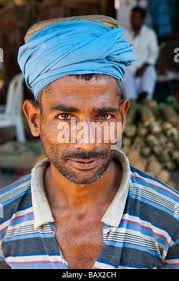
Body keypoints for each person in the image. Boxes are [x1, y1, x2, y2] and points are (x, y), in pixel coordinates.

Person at [0, 15, 179, 270]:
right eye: (65, 117)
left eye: (103, 116)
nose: (86, 144)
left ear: (123, 116)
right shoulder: (3, 216)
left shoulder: (171, 217)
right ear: (34, 119)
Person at [122, 6, 159, 101]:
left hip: (144, 68)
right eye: (132, 17)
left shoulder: (150, 34)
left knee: (150, 71)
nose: (132, 20)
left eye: (135, 17)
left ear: (142, 19)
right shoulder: (124, 34)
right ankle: (131, 100)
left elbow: (154, 53)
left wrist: (144, 67)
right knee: (124, 74)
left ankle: (145, 97)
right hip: (128, 70)